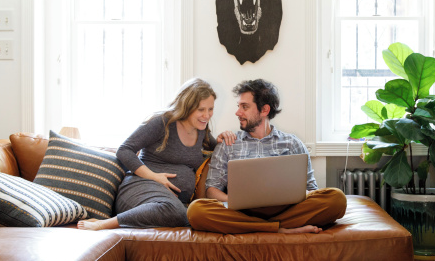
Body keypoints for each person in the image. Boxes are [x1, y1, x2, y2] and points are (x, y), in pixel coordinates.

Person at [187, 79, 347, 234]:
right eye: (238, 106)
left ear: (264, 110)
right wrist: (234, 201)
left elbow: (311, 189)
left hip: (286, 210)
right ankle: (279, 229)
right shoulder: (228, 144)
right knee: (196, 211)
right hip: (241, 213)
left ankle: (261, 227)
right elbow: (212, 190)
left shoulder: (291, 143)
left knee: (336, 199)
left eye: (244, 107)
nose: (238, 112)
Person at [78, 78, 228, 231]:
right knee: (177, 212)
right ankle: (103, 223)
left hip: (170, 200)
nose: (207, 115)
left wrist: (223, 138)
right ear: (186, 106)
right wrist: (154, 176)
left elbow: (220, 153)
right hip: (140, 188)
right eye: (201, 110)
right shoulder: (163, 123)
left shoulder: (201, 130)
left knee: (193, 215)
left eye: (210, 109)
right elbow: (124, 150)